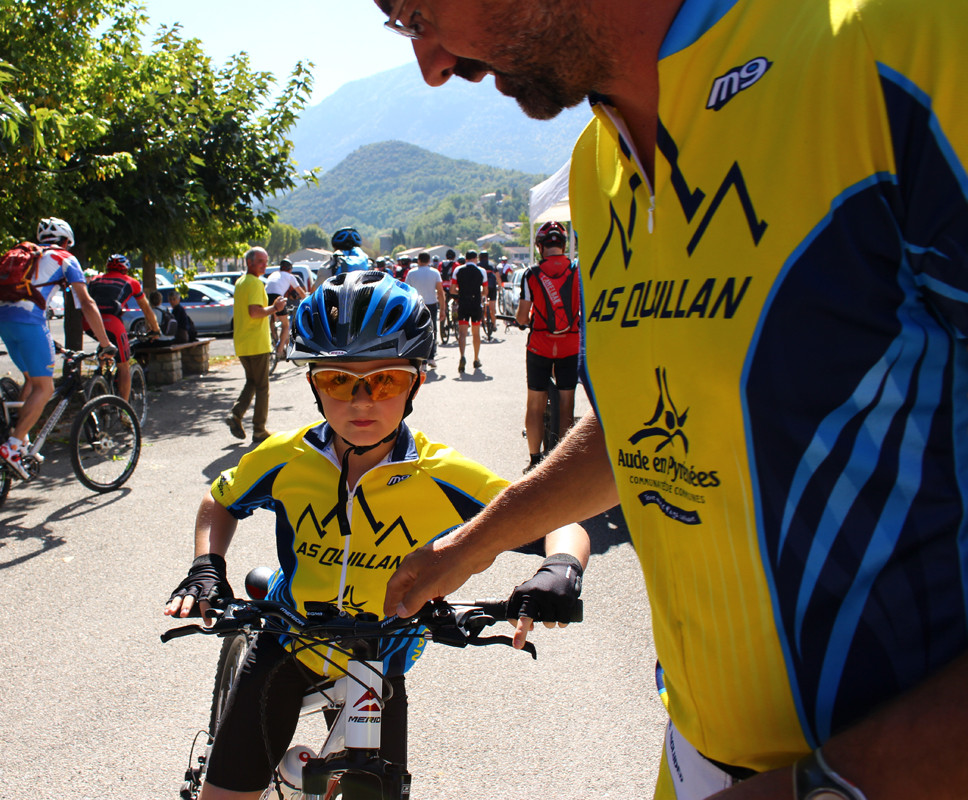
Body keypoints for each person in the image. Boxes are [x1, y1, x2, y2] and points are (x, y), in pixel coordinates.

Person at [372, 1, 968, 797]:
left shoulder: (904, 45)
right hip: (695, 761)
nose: (432, 65)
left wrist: (838, 783)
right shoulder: (595, 164)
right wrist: (476, 542)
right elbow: (645, 427)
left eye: (417, 12)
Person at [165, 271, 590, 800]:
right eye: (338, 381)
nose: (361, 401)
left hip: (381, 654)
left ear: (417, 380)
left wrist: (560, 567)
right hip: (289, 637)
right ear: (313, 384)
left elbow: (557, 520)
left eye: (384, 380)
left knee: (371, 791)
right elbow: (220, 501)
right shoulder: (286, 457)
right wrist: (207, 565)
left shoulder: (440, 474)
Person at [0, 217, 112, 478]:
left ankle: (21, 442)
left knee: (31, 380)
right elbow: (86, 303)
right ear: (67, 241)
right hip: (29, 321)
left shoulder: (29, 254)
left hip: (2, 318)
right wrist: (105, 343)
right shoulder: (65, 257)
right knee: (45, 388)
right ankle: (13, 446)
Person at [517, 222, 581, 474]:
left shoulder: (531, 274)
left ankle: (534, 460)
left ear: (540, 246)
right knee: (567, 402)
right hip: (570, 344)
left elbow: (522, 317)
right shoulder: (577, 271)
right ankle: (561, 461)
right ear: (563, 245)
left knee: (535, 402)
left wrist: (528, 320)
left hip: (540, 345)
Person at [227, 247, 285, 443]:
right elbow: (255, 312)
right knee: (262, 387)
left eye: (265, 260)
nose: (264, 265)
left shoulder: (241, 282)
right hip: (256, 343)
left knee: (252, 381)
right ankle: (259, 429)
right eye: (260, 261)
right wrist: (275, 308)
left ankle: (236, 413)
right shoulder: (254, 283)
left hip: (243, 343)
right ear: (249, 262)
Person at [85, 254, 162, 402]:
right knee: (124, 365)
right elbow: (146, 309)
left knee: (105, 344)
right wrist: (155, 329)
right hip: (112, 322)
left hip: (89, 323)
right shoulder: (130, 282)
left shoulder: (95, 280)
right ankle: (124, 411)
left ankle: (99, 376)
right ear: (126, 269)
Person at [403, 251, 446, 371]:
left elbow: (407, 292)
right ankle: (431, 357)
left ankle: (422, 360)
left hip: (416, 305)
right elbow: (440, 292)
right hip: (431, 304)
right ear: (429, 261)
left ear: (419, 261)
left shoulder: (411, 273)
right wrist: (443, 308)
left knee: (418, 332)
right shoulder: (435, 273)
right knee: (432, 330)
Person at [450, 250, 487, 373]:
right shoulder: (482, 271)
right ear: (476, 258)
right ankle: (476, 359)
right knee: (476, 333)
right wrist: (478, 294)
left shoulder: (458, 270)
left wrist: (460, 293)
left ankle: (462, 356)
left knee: (462, 333)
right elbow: (485, 291)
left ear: (465, 259)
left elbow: (452, 289)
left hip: (463, 303)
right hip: (476, 303)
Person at [263, 258, 307, 360]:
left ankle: (274, 341)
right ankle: (279, 350)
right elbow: (301, 292)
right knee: (286, 325)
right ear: (290, 269)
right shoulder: (290, 276)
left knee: (272, 321)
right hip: (277, 297)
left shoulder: (273, 274)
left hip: (265, 297)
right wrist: (307, 301)